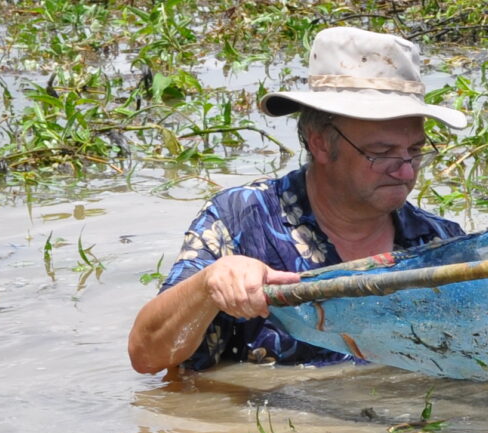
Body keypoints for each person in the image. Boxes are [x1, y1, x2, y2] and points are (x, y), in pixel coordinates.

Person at [128, 27, 467, 375]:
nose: (406, 173)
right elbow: (146, 355)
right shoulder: (242, 221)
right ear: (320, 143)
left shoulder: (440, 244)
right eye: (381, 154)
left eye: (415, 152)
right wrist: (209, 285)